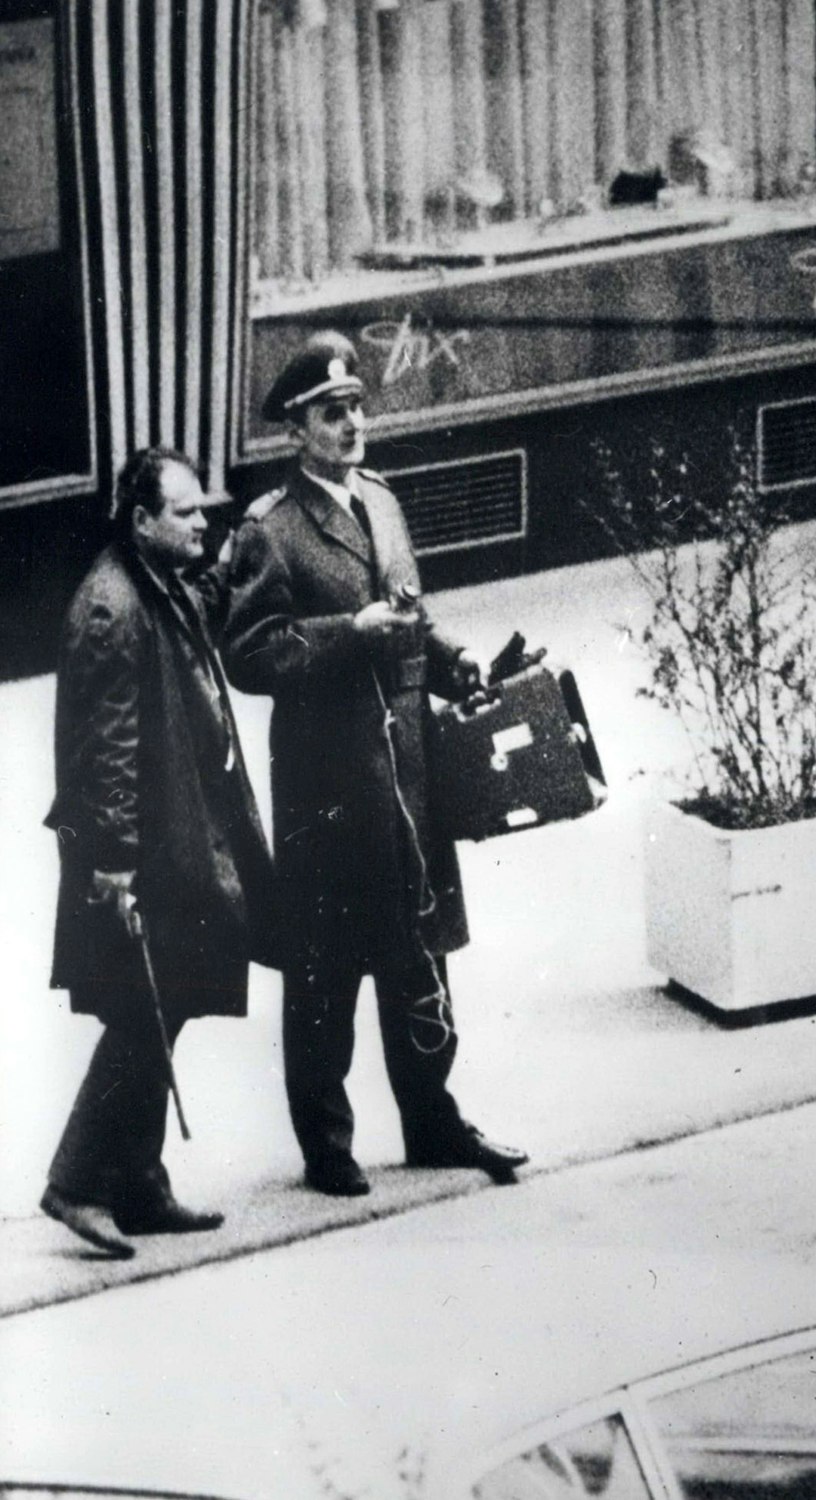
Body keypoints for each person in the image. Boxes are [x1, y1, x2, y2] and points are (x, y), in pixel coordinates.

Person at [222, 332, 527, 1197]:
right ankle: (327, 1145)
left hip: (407, 770)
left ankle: (432, 1120)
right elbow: (248, 655)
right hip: (328, 786)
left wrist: (452, 655)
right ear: (295, 430)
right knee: (325, 968)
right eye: (331, 413)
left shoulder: (383, 502)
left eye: (356, 406)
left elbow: (408, 612)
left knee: (417, 949)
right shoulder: (270, 532)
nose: (351, 423)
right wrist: (342, 637)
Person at [42, 448, 277, 1258]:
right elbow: (105, 749)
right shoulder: (112, 606)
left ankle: (137, 1184)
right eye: (188, 513)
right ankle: (75, 1183)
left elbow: (200, 610)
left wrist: (241, 543)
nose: (201, 521)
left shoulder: (152, 579)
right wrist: (113, 865)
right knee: (145, 1010)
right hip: (138, 856)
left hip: (168, 841)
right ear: (142, 521)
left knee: (163, 1005)